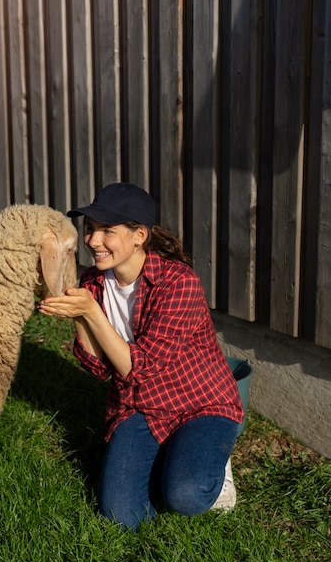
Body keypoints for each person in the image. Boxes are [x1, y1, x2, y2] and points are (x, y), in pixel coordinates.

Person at [38, 183, 244, 530]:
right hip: (141, 406)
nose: (93, 240)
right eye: (90, 230)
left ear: (139, 236)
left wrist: (91, 312)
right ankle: (174, 456)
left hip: (199, 403)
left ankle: (214, 464)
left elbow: (140, 368)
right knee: (122, 518)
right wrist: (79, 312)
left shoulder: (179, 283)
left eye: (107, 230)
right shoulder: (93, 283)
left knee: (187, 496)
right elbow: (99, 367)